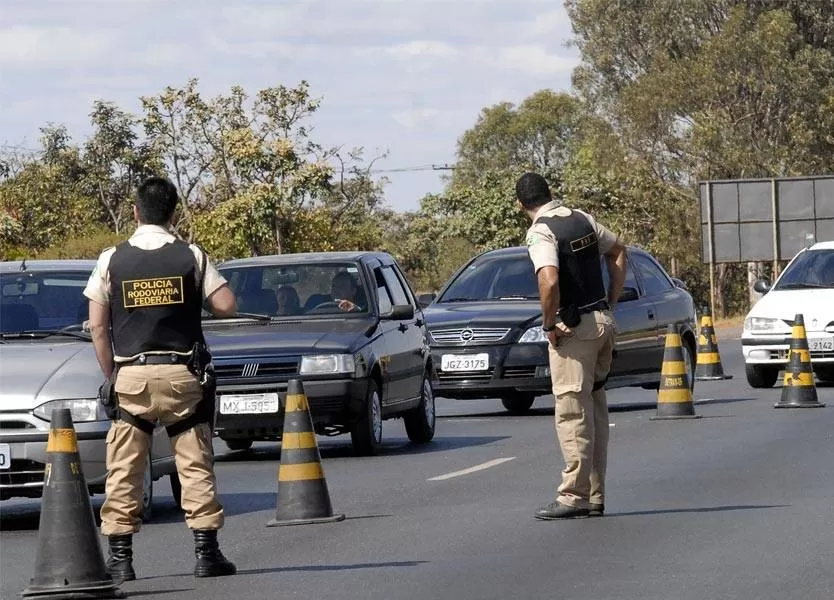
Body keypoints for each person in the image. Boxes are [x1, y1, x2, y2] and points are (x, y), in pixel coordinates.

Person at [84, 176, 238, 581]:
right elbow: (226, 305)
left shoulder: (110, 259)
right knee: (195, 464)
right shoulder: (191, 255)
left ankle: (121, 561)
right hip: (181, 375)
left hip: (131, 376)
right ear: (173, 214)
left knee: (124, 469)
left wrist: (112, 375)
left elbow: (98, 329)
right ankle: (207, 555)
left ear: (135, 212)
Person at [516, 172, 627, 520]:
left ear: (522, 205)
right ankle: (595, 493)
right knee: (594, 407)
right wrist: (610, 302)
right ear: (550, 194)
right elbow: (619, 251)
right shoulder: (582, 219)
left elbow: (549, 280)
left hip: (574, 331)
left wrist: (549, 324)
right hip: (602, 323)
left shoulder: (541, 231)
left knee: (571, 411)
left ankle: (573, 496)